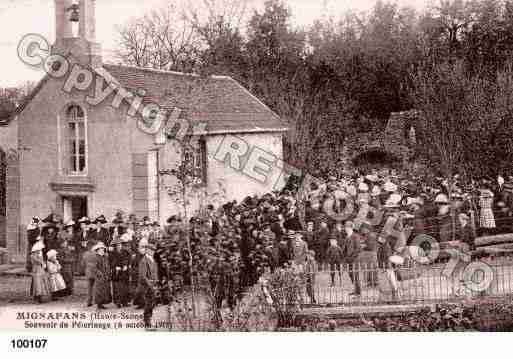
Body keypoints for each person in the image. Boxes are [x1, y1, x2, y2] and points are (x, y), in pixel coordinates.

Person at [137, 242, 159, 329]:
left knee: (152, 303)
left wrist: (156, 283)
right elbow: (143, 276)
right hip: (147, 287)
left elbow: (155, 273)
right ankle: (147, 322)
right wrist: (151, 285)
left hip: (153, 285)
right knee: (148, 304)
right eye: (151, 250)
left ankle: (149, 320)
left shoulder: (152, 260)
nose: (152, 252)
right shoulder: (143, 261)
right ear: (147, 250)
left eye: (153, 250)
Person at [110, 236, 131, 308]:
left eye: (120, 244)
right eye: (117, 245)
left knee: (125, 287)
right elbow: (110, 262)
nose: (119, 246)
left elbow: (128, 259)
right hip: (116, 273)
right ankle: (118, 302)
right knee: (117, 287)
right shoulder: (112, 253)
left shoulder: (125, 252)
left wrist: (126, 265)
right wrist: (115, 267)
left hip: (124, 272)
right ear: (115, 246)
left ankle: (125, 302)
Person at [93, 242, 112, 309]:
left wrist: (108, 273)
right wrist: (100, 274)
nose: (102, 250)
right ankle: (99, 304)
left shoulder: (105, 257)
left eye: (103, 249)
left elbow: (108, 265)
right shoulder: (96, 257)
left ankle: (102, 303)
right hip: (100, 277)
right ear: (98, 250)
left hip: (106, 275)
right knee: (99, 290)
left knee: (105, 290)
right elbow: (95, 268)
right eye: (101, 249)